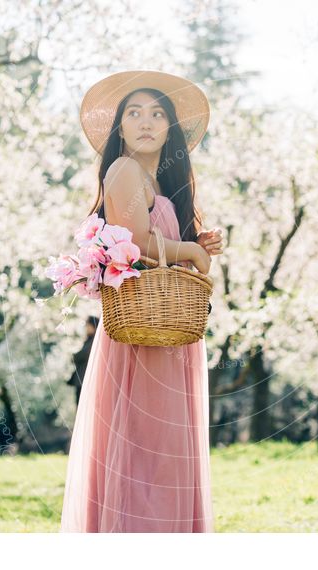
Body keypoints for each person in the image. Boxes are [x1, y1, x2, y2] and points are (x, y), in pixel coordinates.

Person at [60, 70, 224, 533]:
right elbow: (133, 239)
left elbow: (161, 239)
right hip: (143, 337)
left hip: (166, 330)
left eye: (157, 113)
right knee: (148, 449)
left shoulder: (163, 185)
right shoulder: (125, 169)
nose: (146, 122)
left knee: (164, 448)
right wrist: (187, 251)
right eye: (134, 113)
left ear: (170, 128)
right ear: (120, 128)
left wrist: (199, 240)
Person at [66, 315, 99, 406]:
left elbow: (82, 355)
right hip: (82, 379)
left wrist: (74, 356)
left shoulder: (94, 341)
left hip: (85, 380)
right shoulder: (89, 340)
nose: (86, 328)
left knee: (82, 405)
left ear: (93, 325)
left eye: (87, 325)